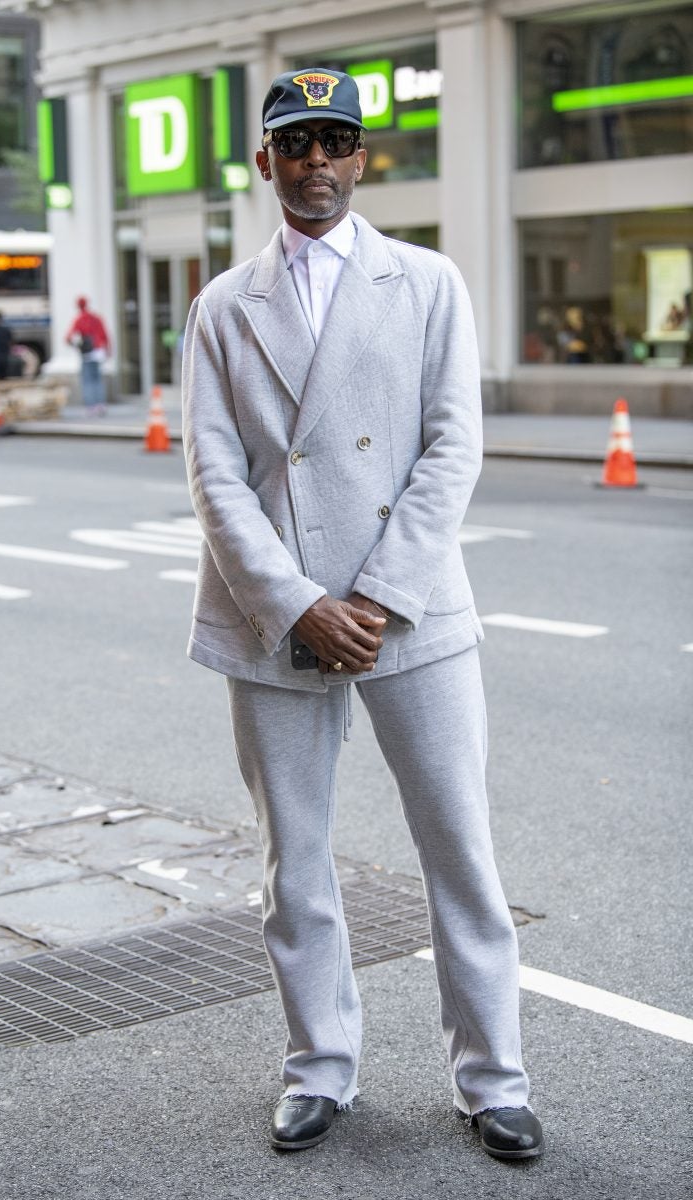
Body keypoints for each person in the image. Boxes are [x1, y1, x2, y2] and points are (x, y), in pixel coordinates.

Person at [182, 69, 543, 1162]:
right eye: (295, 145)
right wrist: (297, 601)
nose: (317, 163)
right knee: (294, 863)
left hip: (411, 613)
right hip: (274, 617)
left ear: (362, 159)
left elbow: (451, 449)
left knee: (460, 854)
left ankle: (493, 1079)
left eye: (336, 142)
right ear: (265, 163)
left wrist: (376, 597)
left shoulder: (426, 283)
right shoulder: (219, 306)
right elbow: (211, 472)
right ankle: (318, 1068)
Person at [65, 297, 110, 414]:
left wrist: (77, 345)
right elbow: (105, 334)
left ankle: (91, 406)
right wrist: (108, 350)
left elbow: (68, 337)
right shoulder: (96, 318)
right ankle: (101, 404)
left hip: (87, 353)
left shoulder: (80, 319)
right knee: (97, 379)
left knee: (87, 380)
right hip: (98, 352)